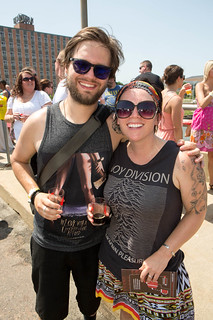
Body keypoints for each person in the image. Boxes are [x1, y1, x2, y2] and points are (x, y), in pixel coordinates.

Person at [10, 27, 201, 320]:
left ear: (109, 77)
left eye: (100, 70)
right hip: (48, 244)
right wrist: (33, 193)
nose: (89, 75)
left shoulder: (114, 123)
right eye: (82, 65)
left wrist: (180, 149)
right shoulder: (39, 121)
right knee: (50, 312)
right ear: (65, 65)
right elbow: (18, 160)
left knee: (92, 309)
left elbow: (144, 133)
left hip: (95, 245)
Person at [88, 80, 207, 320]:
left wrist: (165, 253)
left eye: (145, 108)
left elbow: (197, 212)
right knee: (127, 315)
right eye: (124, 108)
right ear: (117, 117)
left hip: (156, 273)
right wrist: (104, 210)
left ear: (157, 116)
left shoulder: (182, 160)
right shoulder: (115, 152)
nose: (134, 115)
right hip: (114, 262)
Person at [5, 67, 52, 142]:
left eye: (32, 78)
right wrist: (13, 117)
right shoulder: (13, 98)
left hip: (39, 139)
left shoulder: (41, 95)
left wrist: (31, 119)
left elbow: (50, 115)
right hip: (20, 139)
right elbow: (6, 116)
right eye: (26, 79)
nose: (30, 81)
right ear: (20, 82)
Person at [190, 60, 213, 190]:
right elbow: (203, 103)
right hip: (202, 124)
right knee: (195, 153)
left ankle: (212, 183)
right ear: (208, 70)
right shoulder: (200, 85)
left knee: (212, 156)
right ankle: (195, 182)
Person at [156, 64, 191, 142]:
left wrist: (181, 93)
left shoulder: (162, 93)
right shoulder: (175, 99)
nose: (183, 79)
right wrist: (180, 145)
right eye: (183, 77)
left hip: (159, 135)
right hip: (170, 140)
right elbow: (177, 128)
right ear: (179, 78)